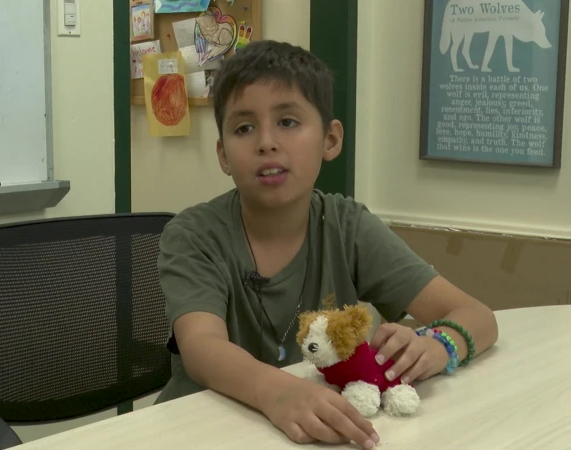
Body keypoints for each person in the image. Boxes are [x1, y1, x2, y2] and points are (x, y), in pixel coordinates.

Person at [153, 40, 499, 449]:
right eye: (244, 128)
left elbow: (478, 316)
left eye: (287, 121)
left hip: (314, 429)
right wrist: (278, 392)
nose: (266, 142)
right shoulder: (193, 234)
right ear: (223, 154)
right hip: (200, 430)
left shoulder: (348, 226)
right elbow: (201, 347)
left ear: (330, 140)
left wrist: (438, 346)